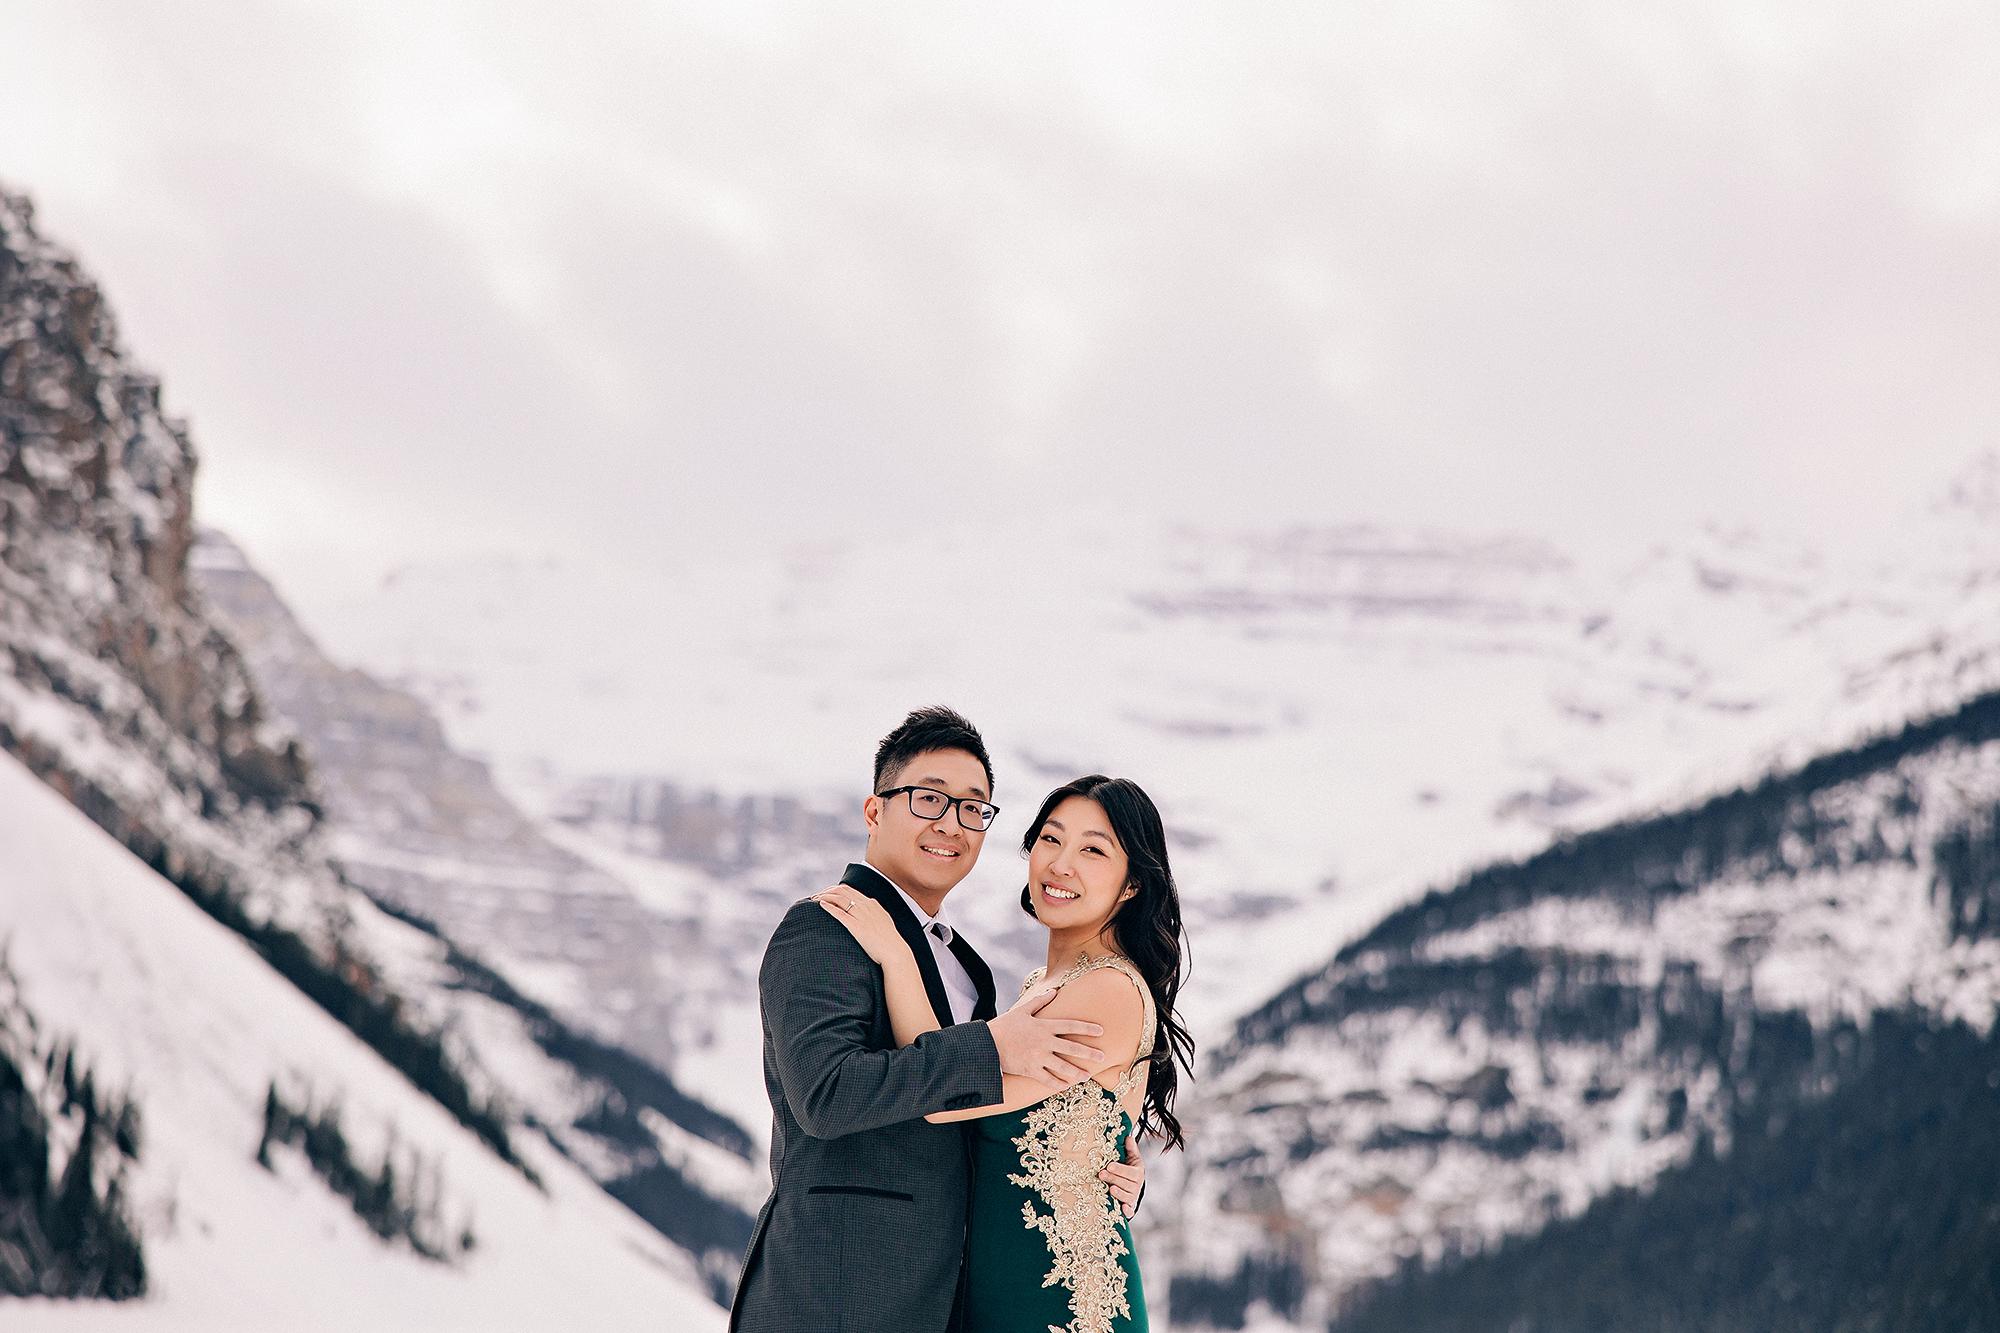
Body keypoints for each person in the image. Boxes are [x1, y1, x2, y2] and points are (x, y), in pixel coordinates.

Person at [731, 708, 1146, 1333]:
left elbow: (981, 1111)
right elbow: (826, 1096)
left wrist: (1094, 1163)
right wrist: (991, 1047)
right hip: (837, 1297)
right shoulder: (824, 928)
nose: (951, 824)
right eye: (929, 799)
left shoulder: (966, 966)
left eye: (973, 808)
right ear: (875, 812)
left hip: (952, 1300)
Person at [815, 773, 1194, 1333]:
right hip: (995, 1291)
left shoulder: (1107, 990)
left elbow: (944, 1097)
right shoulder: (1039, 986)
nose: (1061, 864)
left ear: (1132, 883)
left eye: (1093, 850)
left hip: (1063, 1299)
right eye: (1050, 838)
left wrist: (897, 955)